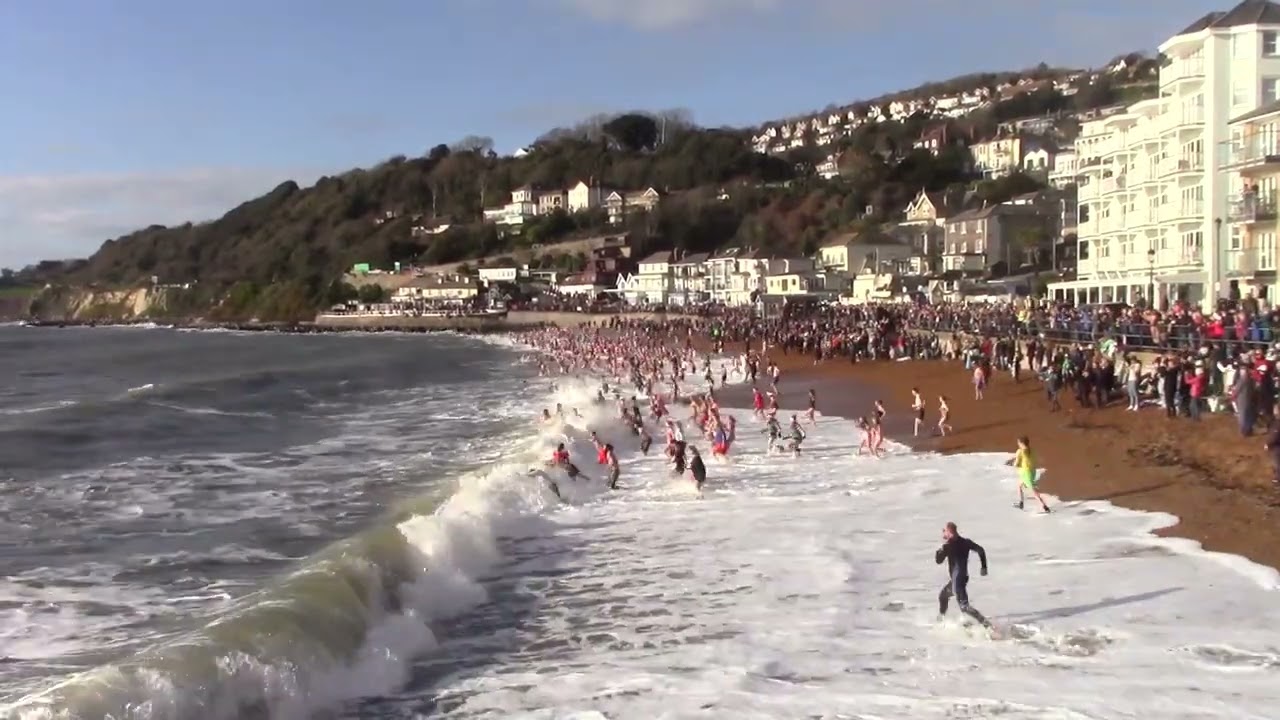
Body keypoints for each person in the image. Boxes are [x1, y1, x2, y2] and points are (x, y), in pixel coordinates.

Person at [935, 521, 990, 627]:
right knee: (943, 596)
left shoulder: (948, 546)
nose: (943, 533)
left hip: (958, 580)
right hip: (962, 578)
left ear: (949, 531)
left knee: (964, 606)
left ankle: (987, 625)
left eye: (944, 531)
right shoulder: (966, 542)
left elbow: (938, 561)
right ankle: (941, 620)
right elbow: (980, 550)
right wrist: (984, 567)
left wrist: (940, 548)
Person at [1007, 435, 1050, 513]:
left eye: (1018, 443)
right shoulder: (1032, 450)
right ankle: (1021, 503)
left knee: (1033, 491)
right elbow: (1031, 461)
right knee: (1019, 486)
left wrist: (1012, 464)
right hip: (1032, 472)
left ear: (1021, 443)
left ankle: (1045, 507)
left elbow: (1016, 464)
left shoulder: (1020, 451)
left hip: (1026, 473)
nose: (1018, 444)